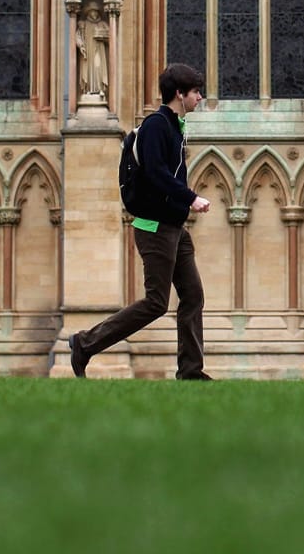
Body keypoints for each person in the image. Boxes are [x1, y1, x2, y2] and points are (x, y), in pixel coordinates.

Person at [69, 62, 213, 379]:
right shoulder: (156, 126)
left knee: (192, 295)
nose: (200, 98)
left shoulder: (175, 126)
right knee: (156, 302)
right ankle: (85, 343)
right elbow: (156, 173)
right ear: (179, 94)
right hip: (155, 228)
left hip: (175, 228)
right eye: (196, 92)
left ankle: (191, 370)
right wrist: (191, 197)